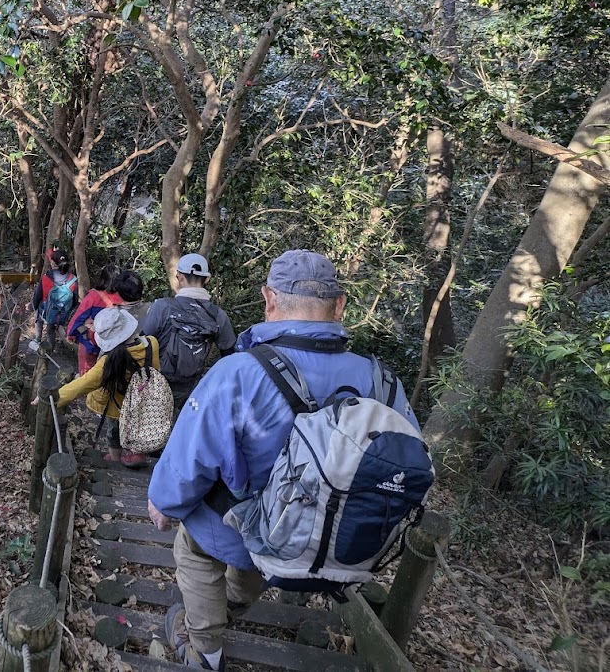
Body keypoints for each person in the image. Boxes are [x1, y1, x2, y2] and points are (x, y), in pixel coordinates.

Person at [146, 250, 419, 671]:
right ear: (340, 305)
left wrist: (164, 504)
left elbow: (191, 457)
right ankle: (231, 605)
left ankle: (205, 650)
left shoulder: (239, 373)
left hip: (235, 523)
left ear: (269, 298)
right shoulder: (382, 381)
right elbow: (409, 460)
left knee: (195, 550)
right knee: (258, 559)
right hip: (313, 539)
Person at [52, 306, 160, 468]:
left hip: (118, 406)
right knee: (140, 428)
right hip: (143, 400)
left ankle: (115, 458)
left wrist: (53, 398)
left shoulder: (108, 363)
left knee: (114, 432)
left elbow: (83, 384)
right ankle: (139, 455)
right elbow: (155, 368)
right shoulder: (152, 343)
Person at [138, 253, 237, 415]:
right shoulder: (218, 315)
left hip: (158, 385)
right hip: (193, 389)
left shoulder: (162, 307)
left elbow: (142, 343)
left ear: (180, 277)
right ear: (206, 279)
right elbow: (229, 355)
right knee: (185, 425)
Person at [66, 263, 122, 374]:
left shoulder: (93, 296)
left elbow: (79, 317)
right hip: (112, 345)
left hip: (90, 342)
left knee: (86, 374)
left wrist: (70, 334)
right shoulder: (122, 298)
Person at [28, 248, 78, 352]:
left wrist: (32, 307)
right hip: (61, 313)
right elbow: (75, 300)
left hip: (45, 310)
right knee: (51, 330)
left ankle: (37, 339)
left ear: (53, 264)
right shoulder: (73, 279)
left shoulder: (47, 277)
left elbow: (37, 296)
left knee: (38, 317)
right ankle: (50, 350)